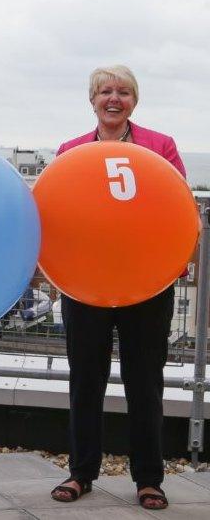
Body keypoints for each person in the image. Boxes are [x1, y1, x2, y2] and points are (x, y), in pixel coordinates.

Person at [49, 65, 184, 511]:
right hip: (85, 285)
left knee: (144, 382)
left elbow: (179, 208)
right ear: (92, 100)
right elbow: (55, 216)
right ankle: (80, 473)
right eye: (105, 91)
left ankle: (149, 479)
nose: (114, 98)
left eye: (123, 92)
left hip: (146, 284)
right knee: (85, 380)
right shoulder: (70, 151)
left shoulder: (160, 147)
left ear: (134, 101)